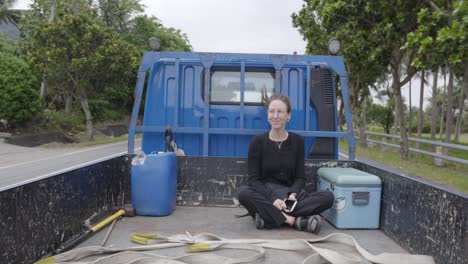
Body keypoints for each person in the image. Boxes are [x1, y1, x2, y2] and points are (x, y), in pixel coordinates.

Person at [237, 93, 334, 233]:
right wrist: (273, 199)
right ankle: (293, 221)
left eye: (280, 112)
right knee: (243, 193)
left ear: (288, 115)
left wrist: (292, 195)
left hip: (290, 196)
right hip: (266, 194)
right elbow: (254, 180)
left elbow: (300, 177)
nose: (275, 116)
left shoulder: (298, 141)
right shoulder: (257, 142)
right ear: (267, 114)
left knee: (327, 197)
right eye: (272, 111)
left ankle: (268, 218)